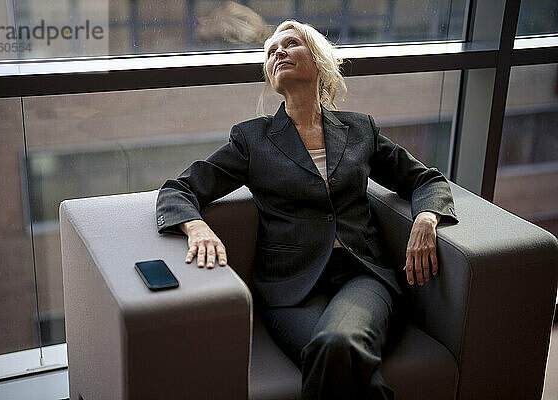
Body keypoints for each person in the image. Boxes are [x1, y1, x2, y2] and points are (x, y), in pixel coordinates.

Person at [156, 19, 458, 400]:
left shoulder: (360, 130)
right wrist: (196, 227)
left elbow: (425, 179)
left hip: (362, 275)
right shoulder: (252, 139)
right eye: (270, 51)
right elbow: (179, 188)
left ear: (318, 61)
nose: (277, 52)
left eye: (290, 44)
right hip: (290, 289)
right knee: (339, 359)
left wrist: (427, 217)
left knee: (337, 343)